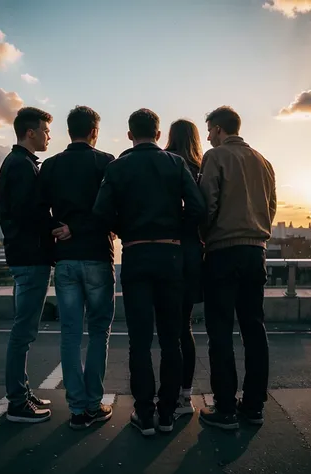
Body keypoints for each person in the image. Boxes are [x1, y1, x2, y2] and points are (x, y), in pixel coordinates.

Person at [93, 109, 205, 436]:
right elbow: (197, 207)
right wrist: (174, 226)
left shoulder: (118, 166)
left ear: (130, 134)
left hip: (136, 254)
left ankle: (144, 414)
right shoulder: (175, 163)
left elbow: (101, 213)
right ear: (158, 134)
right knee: (172, 340)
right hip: (171, 255)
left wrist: (125, 227)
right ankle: (168, 414)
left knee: (139, 342)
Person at [198, 106, 277, 430]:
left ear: (218, 129)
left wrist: (206, 237)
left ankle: (226, 407)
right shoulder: (263, 161)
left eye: (209, 131)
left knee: (220, 332)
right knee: (253, 329)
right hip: (255, 251)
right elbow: (271, 206)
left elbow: (208, 204)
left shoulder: (216, 157)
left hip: (223, 252)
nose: (207, 137)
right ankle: (254, 405)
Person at [39, 106, 115, 430]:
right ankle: (94, 403)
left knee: (70, 334)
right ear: (94, 131)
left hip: (67, 260)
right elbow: (110, 209)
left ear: (69, 131)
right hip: (98, 256)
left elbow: (37, 209)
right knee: (99, 331)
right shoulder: (106, 163)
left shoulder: (52, 166)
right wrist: (84, 229)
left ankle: (77, 409)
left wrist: (60, 228)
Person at [0, 107, 54, 423]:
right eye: (45, 130)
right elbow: (27, 213)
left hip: (26, 255)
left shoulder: (19, 163)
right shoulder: (21, 166)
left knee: (24, 330)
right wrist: (54, 227)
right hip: (30, 257)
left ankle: (22, 392)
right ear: (30, 133)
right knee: (23, 331)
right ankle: (17, 402)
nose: (49, 136)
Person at [164, 119, 204, 416]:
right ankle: (185, 396)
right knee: (184, 326)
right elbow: (201, 209)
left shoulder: (165, 163)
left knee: (167, 330)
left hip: (165, 251)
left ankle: (166, 394)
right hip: (192, 254)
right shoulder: (201, 167)